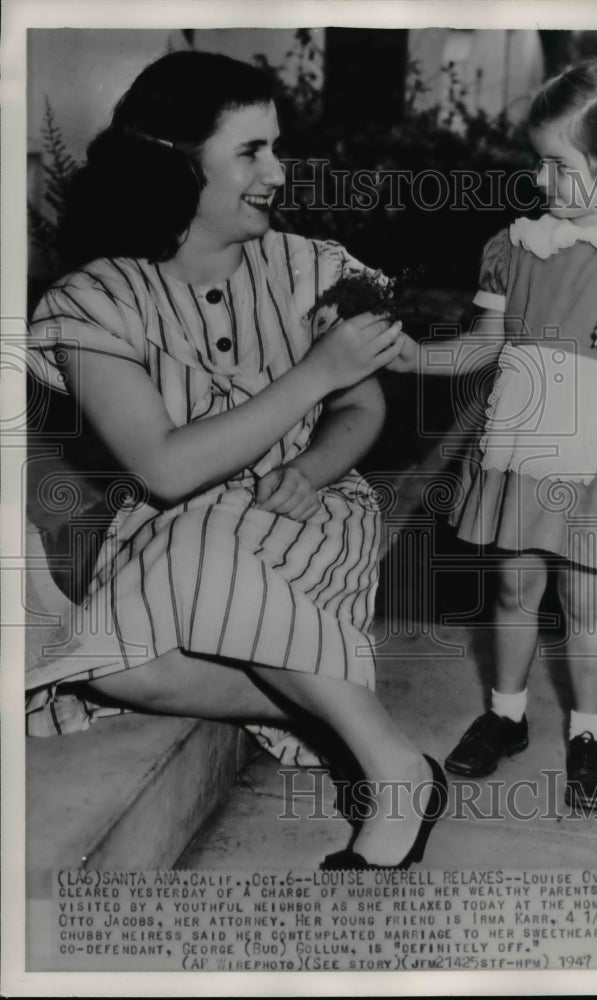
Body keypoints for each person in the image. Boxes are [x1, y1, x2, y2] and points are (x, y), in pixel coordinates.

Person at [26, 50, 446, 870]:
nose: (279, 173)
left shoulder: (309, 267)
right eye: (251, 151)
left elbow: (363, 407)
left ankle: (395, 773)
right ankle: (341, 719)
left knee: (207, 547)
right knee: (119, 667)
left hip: (308, 514)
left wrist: (316, 466)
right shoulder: (92, 303)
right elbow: (167, 472)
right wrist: (315, 371)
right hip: (168, 523)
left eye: (275, 147)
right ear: (174, 164)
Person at [388, 58, 597, 812]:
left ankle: (588, 734)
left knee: (588, 597)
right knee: (513, 584)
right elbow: (487, 343)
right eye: (539, 161)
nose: (540, 178)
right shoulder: (517, 245)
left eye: (558, 164)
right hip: (521, 439)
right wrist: (412, 356)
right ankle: (506, 715)